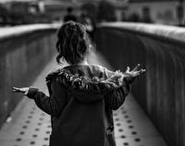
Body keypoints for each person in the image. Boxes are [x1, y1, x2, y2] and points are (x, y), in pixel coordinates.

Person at [13, 21, 145, 146]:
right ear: (89, 47)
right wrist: (126, 81)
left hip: (66, 140)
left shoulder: (60, 78)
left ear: (62, 52)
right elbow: (115, 102)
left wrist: (34, 93)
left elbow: (54, 108)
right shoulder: (104, 75)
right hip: (98, 140)